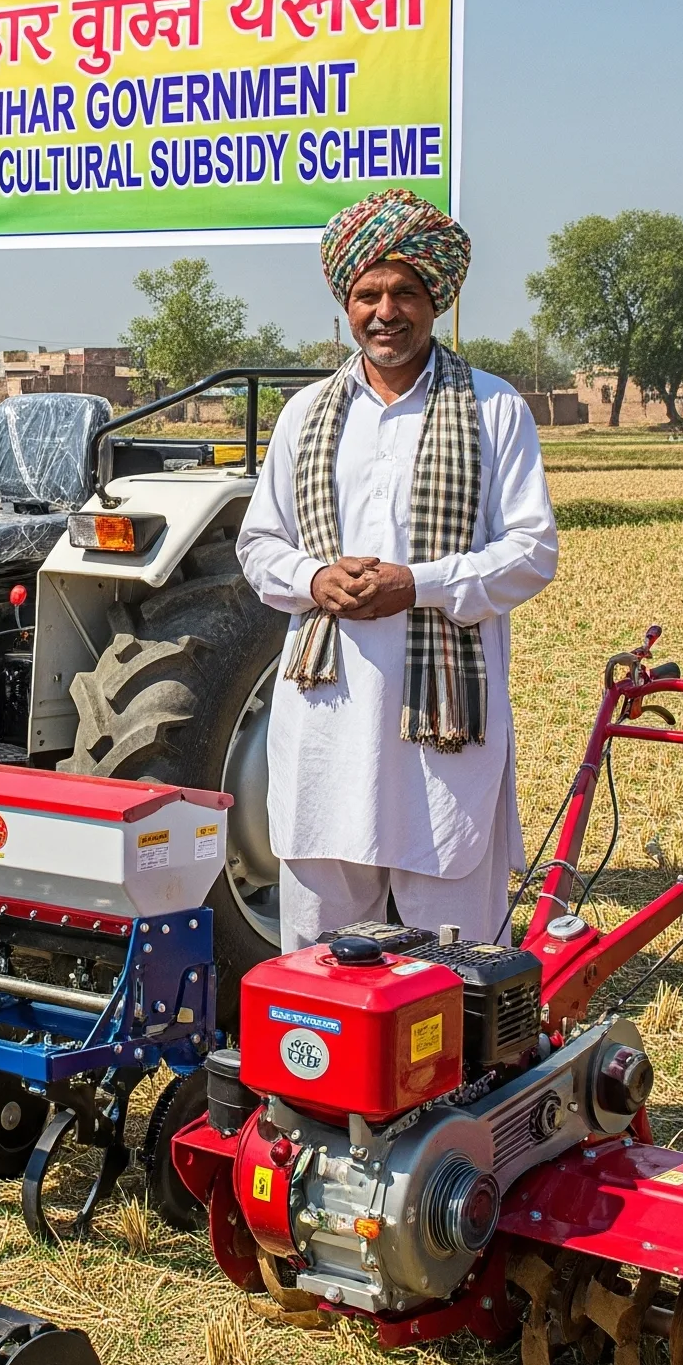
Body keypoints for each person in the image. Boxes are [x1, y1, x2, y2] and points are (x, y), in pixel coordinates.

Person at [237, 188, 558, 952]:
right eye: (368, 295)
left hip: (443, 736)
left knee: (453, 958)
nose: (386, 312)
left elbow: (531, 552)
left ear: (435, 300)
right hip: (326, 725)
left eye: (405, 293)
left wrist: (416, 585)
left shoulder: (493, 409)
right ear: (346, 304)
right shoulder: (306, 413)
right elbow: (259, 544)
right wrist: (315, 581)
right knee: (318, 960)